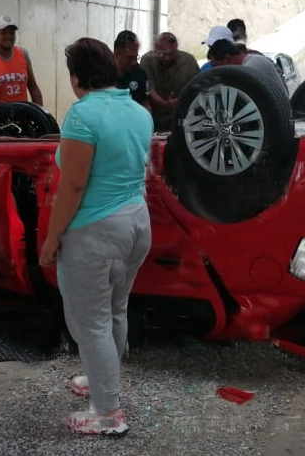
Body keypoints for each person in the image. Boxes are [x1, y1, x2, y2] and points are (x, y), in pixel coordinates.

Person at [40, 37, 152, 435]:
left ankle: (107, 414)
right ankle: (103, 379)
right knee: (115, 311)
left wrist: (51, 241)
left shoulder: (82, 116)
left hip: (96, 229)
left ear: (77, 78)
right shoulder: (138, 112)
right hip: (137, 222)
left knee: (91, 323)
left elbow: (72, 187)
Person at [139, 32, 199, 132]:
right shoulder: (147, 60)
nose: (167, 58)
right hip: (156, 117)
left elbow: (196, 89)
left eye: (171, 54)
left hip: (183, 117)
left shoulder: (188, 61)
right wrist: (164, 103)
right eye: (163, 54)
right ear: (155, 48)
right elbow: (150, 89)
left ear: (176, 48)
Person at [207, 39, 288, 97]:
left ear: (226, 59)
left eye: (216, 66)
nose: (217, 70)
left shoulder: (253, 65)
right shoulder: (248, 65)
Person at [113, 30, 152, 112]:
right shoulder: (104, 75)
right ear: (117, 55)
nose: (134, 62)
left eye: (136, 57)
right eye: (129, 58)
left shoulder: (140, 74)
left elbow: (145, 102)